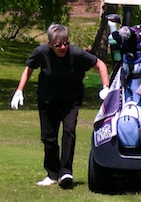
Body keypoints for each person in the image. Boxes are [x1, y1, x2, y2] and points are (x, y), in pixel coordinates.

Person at [11, 23, 110, 188]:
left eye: (65, 43)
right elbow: (29, 68)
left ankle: (66, 172)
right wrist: (19, 90)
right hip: (47, 98)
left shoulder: (76, 53)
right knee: (48, 137)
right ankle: (52, 173)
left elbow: (100, 64)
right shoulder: (41, 52)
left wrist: (105, 87)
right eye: (58, 45)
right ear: (50, 44)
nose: (63, 47)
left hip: (71, 99)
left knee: (69, 131)